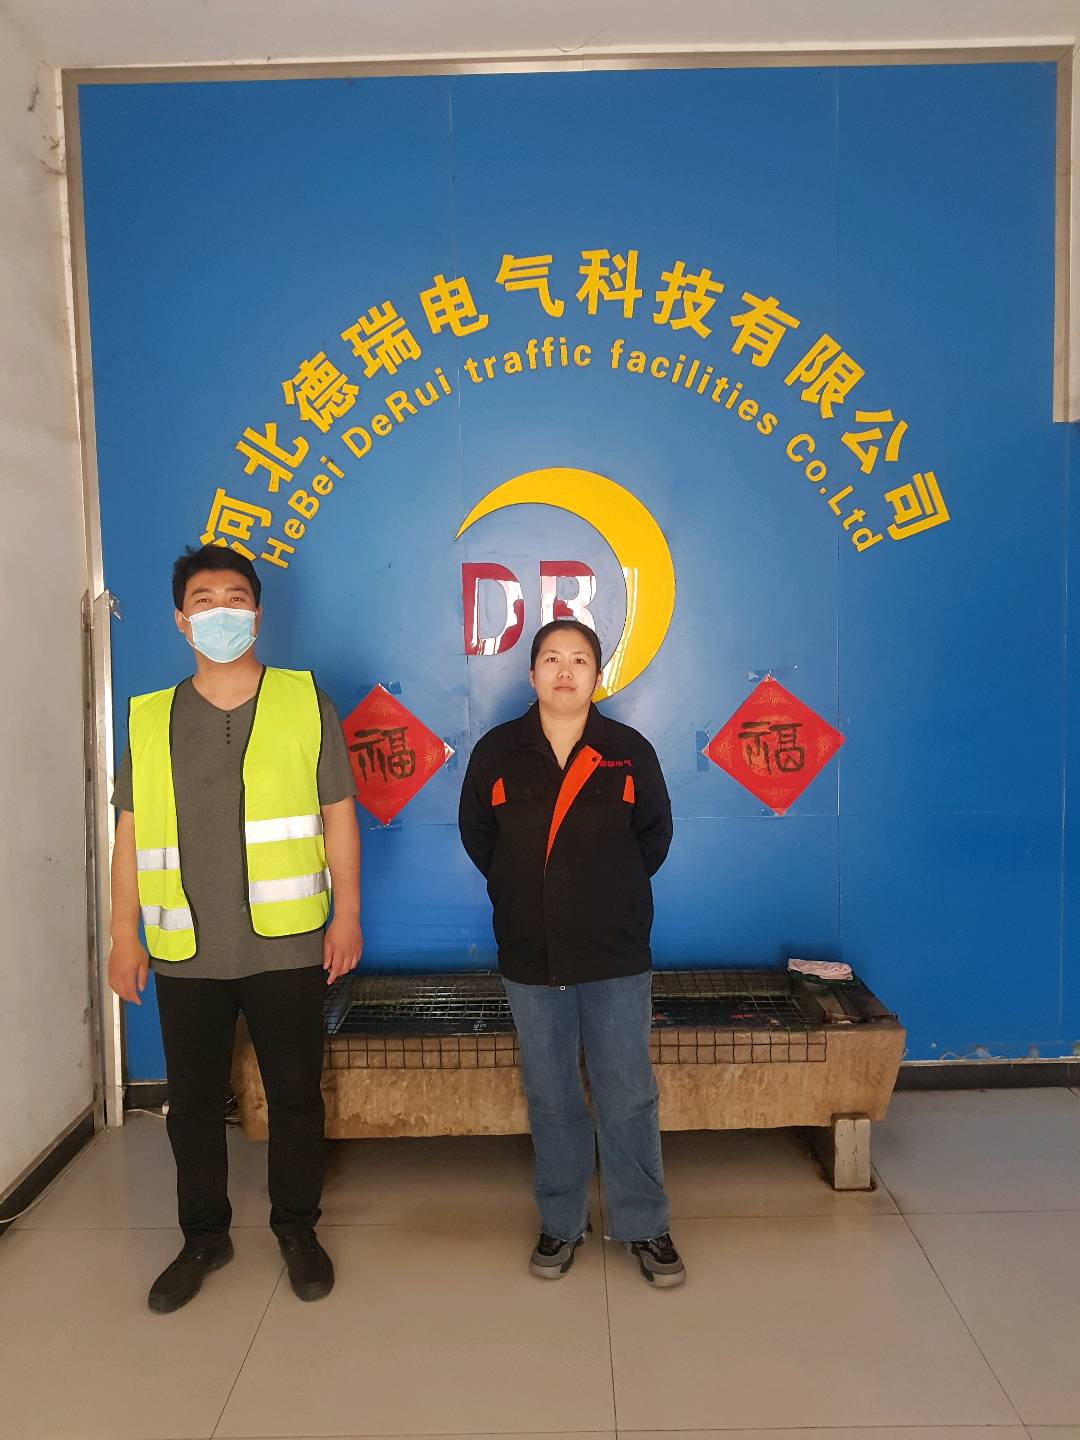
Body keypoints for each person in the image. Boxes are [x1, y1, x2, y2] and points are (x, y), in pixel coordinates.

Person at [108, 544, 362, 1312]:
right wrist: (123, 935)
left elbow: (337, 815)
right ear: (181, 620)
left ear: (257, 613)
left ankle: (297, 1228)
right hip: (185, 948)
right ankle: (203, 1237)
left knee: (294, 1094)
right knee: (192, 1103)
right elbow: (129, 833)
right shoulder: (150, 717)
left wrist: (346, 915)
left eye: (235, 598)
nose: (221, 612)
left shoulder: (304, 701)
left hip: (287, 942)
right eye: (204, 600)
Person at [458, 619, 685, 1287]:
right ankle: (561, 1220)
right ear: (531, 674)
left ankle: (644, 1222)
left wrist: (602, 893)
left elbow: (653, 838)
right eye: (551, 659)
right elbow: (480, 837)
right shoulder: (498, 753)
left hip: (615, 950)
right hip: (531, 952)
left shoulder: (627, 752)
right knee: (551, 1094)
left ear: (597, 676)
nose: (565, 671)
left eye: (579, 660)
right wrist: (527, 891)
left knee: (627, 1093)